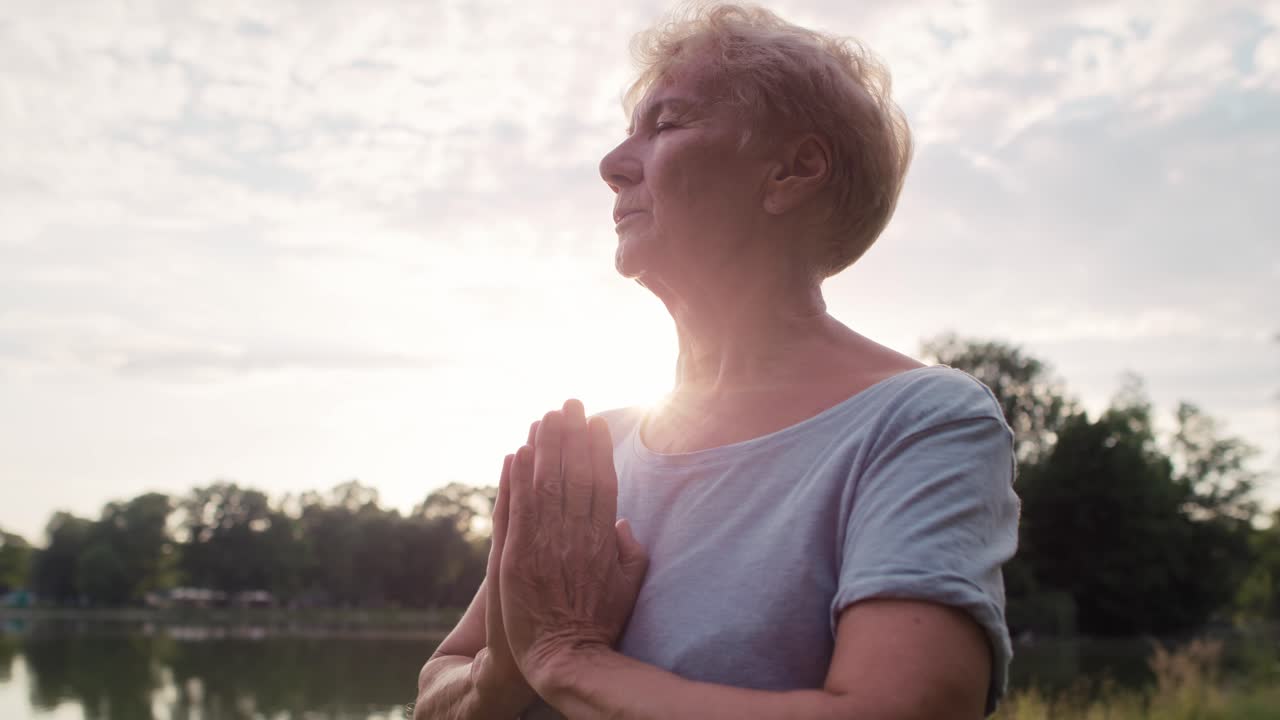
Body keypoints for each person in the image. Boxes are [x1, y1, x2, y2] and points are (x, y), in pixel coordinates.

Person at [414, 3, 1020, 718]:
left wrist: (568, 660)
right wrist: (505, 674)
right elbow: (438, 687)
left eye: (666, 125)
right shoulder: (592, 449)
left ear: (792, 171)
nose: (612, 166)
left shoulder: (923, 420)